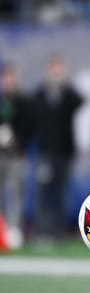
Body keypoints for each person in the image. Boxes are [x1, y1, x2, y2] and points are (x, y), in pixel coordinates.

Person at [31, 55, 83, 244]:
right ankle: (43, 232)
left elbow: (79, 101)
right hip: (46, 152)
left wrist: (65, 84)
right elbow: (35, 115)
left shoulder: (67, 94)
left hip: (64, 152)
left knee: (61, 193)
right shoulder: (40, 94)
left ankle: (58, 232)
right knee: (45, 192)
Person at [0, 63, 32, 249]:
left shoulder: (22, 101)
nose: (9, 81)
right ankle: (2, 229)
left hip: (16, 154)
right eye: (6, 77)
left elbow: (29, 126)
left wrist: (16, 139)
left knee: (15, 193)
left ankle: (14, 230)